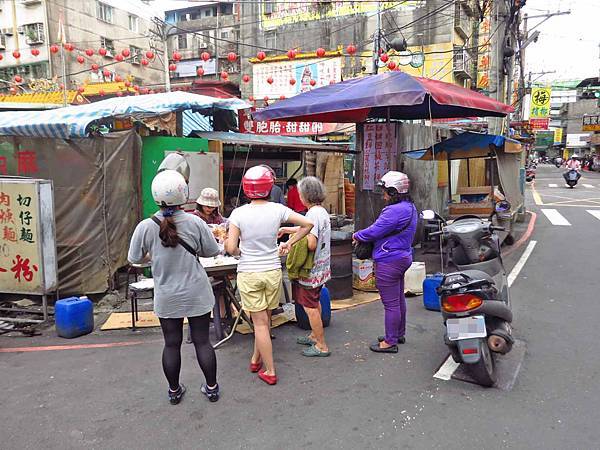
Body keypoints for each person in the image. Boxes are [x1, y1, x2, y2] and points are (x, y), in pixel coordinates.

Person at [128, 170, 221, 404]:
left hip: (167, 296)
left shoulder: (145, 227)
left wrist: (153, 258)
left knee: (171, 344)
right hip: (197, 293)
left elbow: (134, 258)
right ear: (184, 194)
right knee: (202, 341)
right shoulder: (195, 222)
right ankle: (211, 388)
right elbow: (212, 251)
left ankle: (174, 391)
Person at [225, 165, 313, 385]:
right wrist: (290, 243)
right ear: (269, 187)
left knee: (260, 323)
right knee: (264, 319)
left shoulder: (239, 213)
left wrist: (239, 252)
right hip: (272, 271)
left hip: (250, 272)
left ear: (246, 188)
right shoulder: (277, 209)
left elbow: (230, 247)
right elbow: (308, 224)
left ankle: (270, 370)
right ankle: (256, 358)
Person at [353, 171, 417, 353]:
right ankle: (398, 333)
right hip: (403, 257)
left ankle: (390, 342)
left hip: (389, 260)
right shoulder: (409, 207)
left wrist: (357, 235)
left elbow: (375, 231)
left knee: (391, 303)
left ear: (393, 191)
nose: (383, 195)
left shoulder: (394, 210)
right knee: (398, 299)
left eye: (385, 191)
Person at [279, 176, 331, 357]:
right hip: (322, 268)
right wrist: (289, 230)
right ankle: (314, 336)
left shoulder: (312, 214)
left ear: (306, 195)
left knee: (309, 307)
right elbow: (309, 229)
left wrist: (291, 243)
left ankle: (321, 346)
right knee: (314, 303)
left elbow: (311, 243)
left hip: (311, 269)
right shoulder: (320, 211)